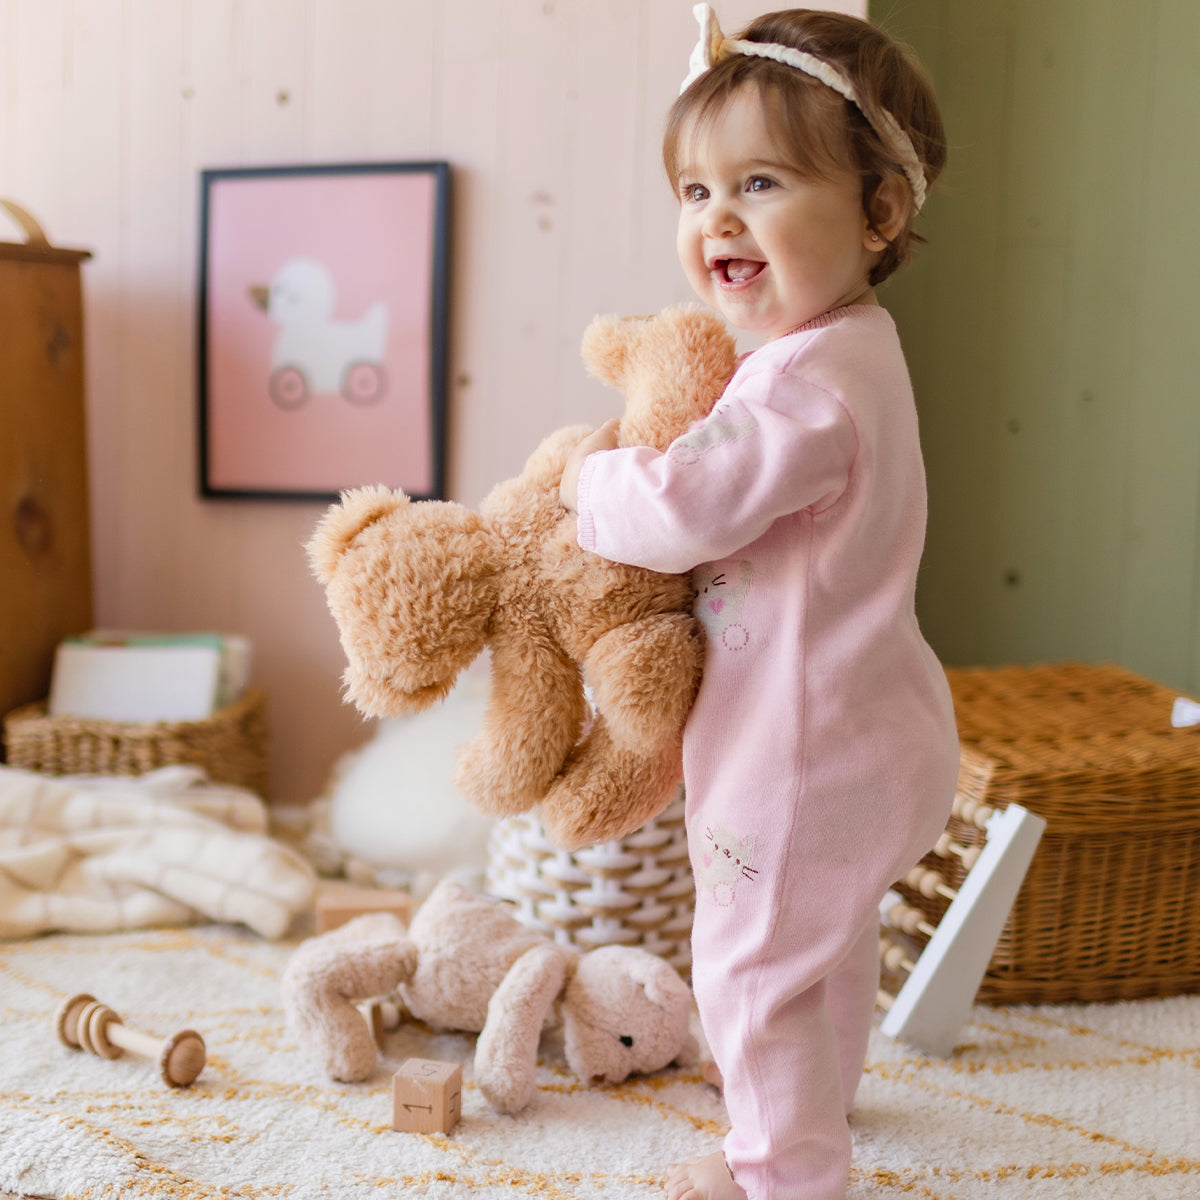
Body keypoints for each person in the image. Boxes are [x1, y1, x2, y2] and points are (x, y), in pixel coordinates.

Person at [559, 6, 959, 1200]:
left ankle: (783, 1171)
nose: (717, 219)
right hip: (867, 723)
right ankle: (817, 1103)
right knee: (818, 941)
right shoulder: (850, 352)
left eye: (761, 183)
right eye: (695, 191)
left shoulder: (805, 388)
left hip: (800, 748)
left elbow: (685, 505)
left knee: (748, 964)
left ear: (878, 213)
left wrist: (585, 480)